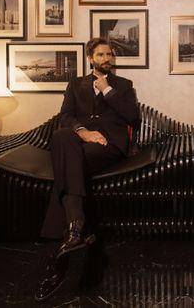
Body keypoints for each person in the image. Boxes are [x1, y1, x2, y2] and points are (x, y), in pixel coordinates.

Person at [35, 38, 140, 301]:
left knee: (65, 160)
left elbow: (133, 117)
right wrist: (83, 132)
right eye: (101, 55)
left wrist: (108, 91)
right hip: (81, 142)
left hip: (109, 145)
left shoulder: (123, 86)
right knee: (62, 135)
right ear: (90, 58)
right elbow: (66, 116)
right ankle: (76, 230)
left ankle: (71, 233)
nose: (107, 58)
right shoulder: (75, 84)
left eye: (110, 54)